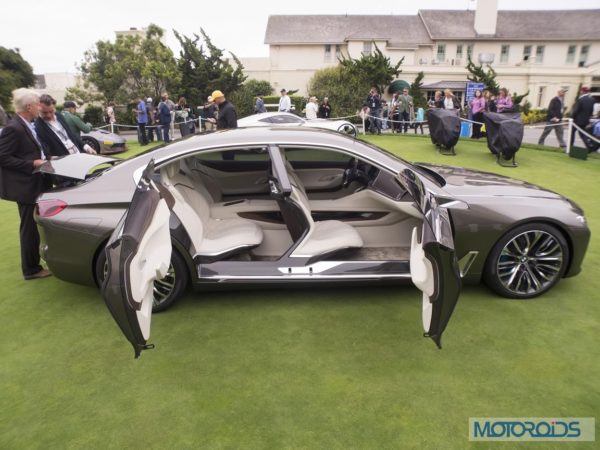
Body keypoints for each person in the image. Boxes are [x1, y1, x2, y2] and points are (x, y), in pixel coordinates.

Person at [0, 88, 51, 280]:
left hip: (36, 182)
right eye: (38, 104)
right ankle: (31, 269)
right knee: (29, 228)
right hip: (25, 187)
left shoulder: (27, 125)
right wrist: (32, 164)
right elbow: (2, 157)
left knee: (35, 225)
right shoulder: (13, 128)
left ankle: (35, 263)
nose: (40, 107)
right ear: (29, 106)